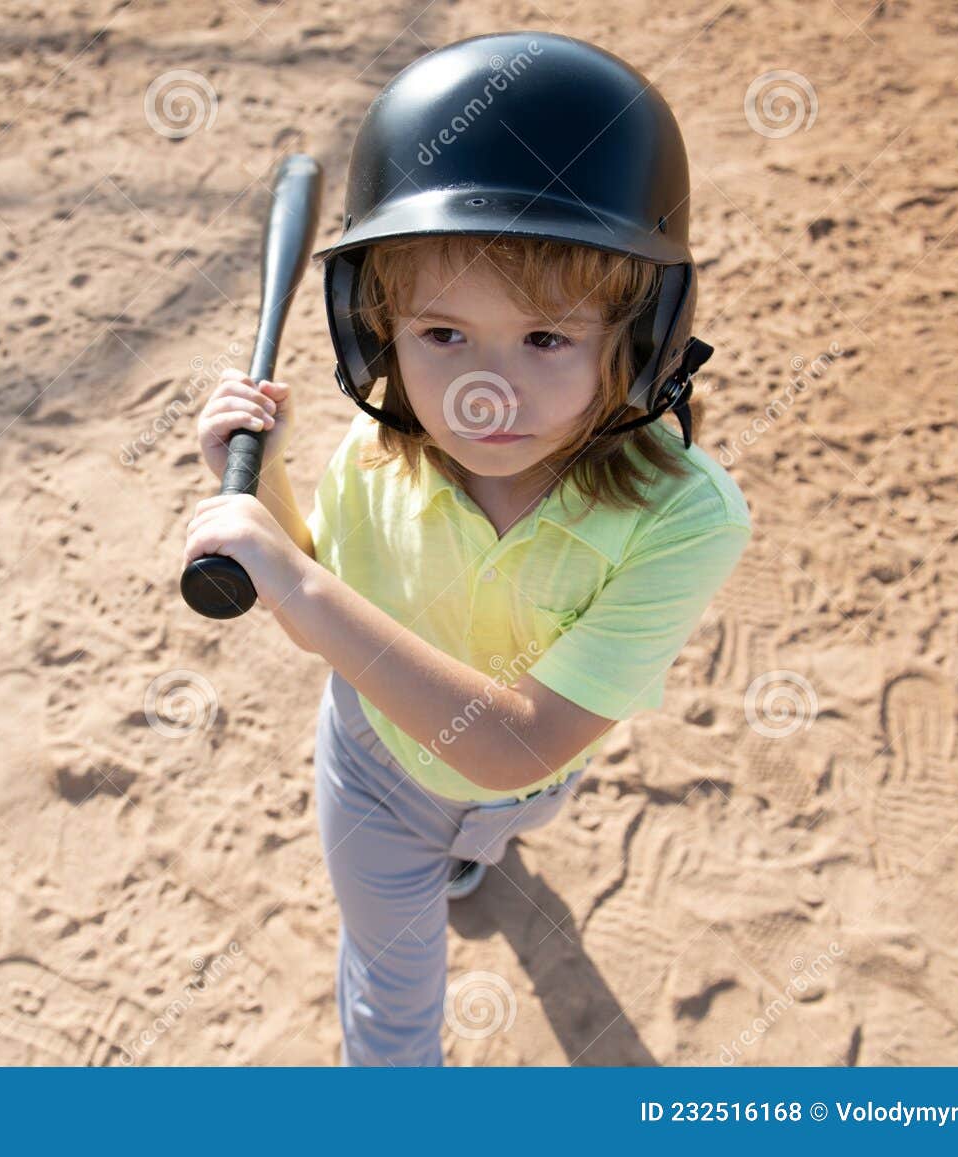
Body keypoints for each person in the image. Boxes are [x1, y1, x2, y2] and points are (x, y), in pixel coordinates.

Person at [182, 31, 752, 1066]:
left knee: (494, 821)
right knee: (392, 995)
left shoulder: (684, 517)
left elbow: (517, 744)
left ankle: (470, 856)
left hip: (526, 778)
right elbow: (322, 586)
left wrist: (299, 582)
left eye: (544, 339)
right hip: (374, 765)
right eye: (442, 335)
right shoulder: (381, 452)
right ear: (379, 334)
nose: (487, 392)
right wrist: (256, 474)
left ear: (640, 338)